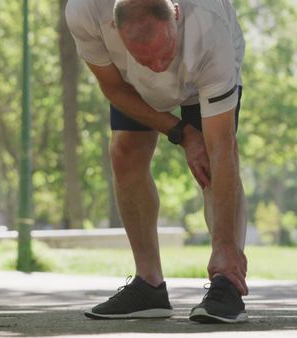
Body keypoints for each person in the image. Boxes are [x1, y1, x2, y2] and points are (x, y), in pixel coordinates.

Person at [66, 0, 248, 323]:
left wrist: (224, 244)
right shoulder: (85, 11)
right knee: (124, 153)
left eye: (164, 52)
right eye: (146, 58)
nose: (158, 66)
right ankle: (148, 285)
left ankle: (226, 279)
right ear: (114, 27)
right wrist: (180, 133)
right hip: (131, 83)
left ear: (175, 14)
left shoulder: (208, 26)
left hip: (200, 74)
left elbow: (222, 146)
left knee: (211, 162)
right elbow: (113, 87)